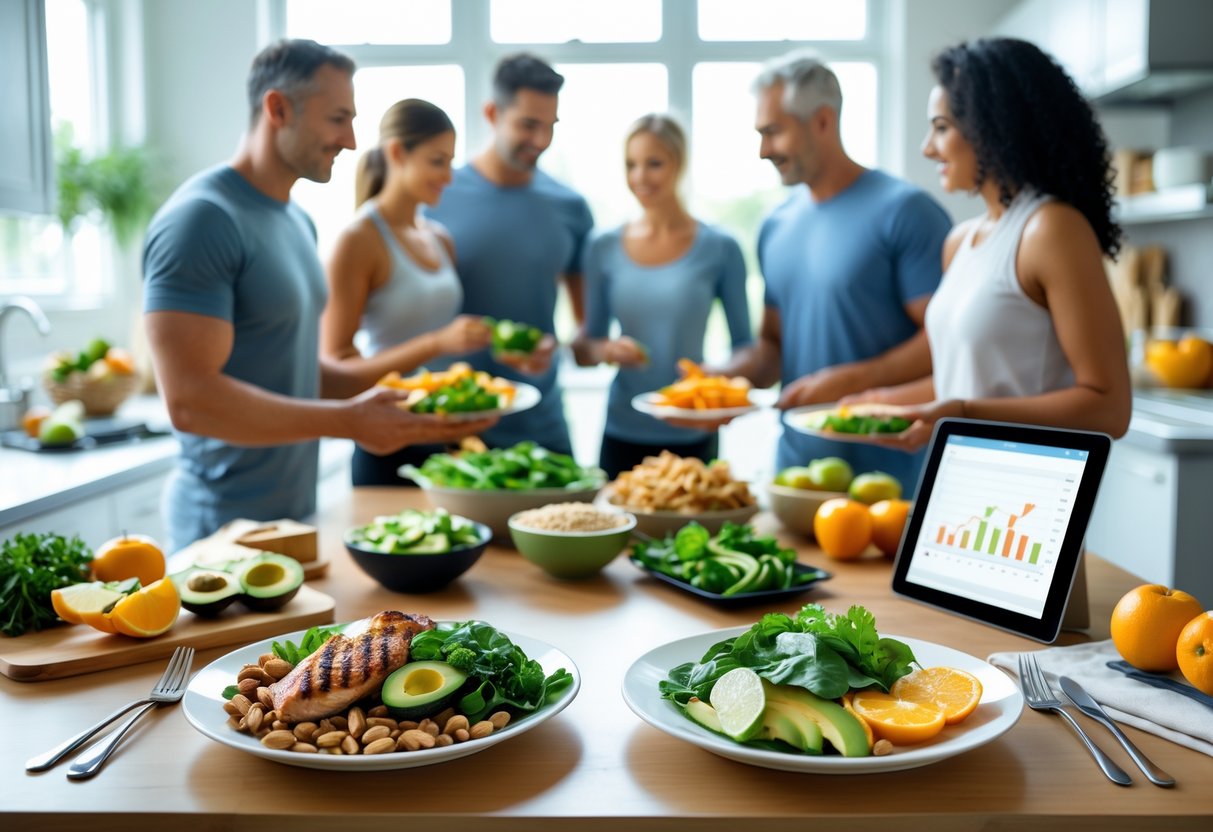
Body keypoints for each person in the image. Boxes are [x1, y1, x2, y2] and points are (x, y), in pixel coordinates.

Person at [143, 39, 494, 552]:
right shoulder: (203, 219)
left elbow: (305, 375)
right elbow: (192, 402)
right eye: (337, 119)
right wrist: (349, 422)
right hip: (218, 526)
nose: (352, 141)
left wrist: (412, 413)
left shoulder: (296, 222)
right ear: (277, 108)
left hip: (294, 514)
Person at [844, 38, 1131, 448]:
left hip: (1031, 489)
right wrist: (877, 405)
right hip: (957, 479)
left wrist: (963, 414)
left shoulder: (1050, 230)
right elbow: (963, 379)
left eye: (941, 128)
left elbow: (1110, 408)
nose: (928, 148)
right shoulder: (960, 241)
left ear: (993, 127)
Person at [715, 51, 952, 490]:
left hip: (893, 480)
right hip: (798, 475)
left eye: (773, 132)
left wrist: (855, 381)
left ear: (822, 122)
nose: (764, 150)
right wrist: (715, 388)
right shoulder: (774, 225)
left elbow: (949, 340)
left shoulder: (906, 212)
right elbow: (772, 347)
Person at [426, 53, 594, 457]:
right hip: (453, 425)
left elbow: (585, 330)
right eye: (528, 125)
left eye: (550, 127)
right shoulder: (436, 197)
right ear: (491, 113)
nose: (540, 141)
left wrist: (566, 347)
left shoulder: (571, 208)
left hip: (543, 427)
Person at [321, 98, 494, 486]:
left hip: (449, 436)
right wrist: (435, 343)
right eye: (437, 161)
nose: (448, 176)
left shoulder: (438, 238)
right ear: (398, 152)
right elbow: (337, 368)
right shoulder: (358, 240)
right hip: (388, 440)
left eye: (450, 161)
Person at [571, 114, 752, 477]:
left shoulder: (721, 247)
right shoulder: (601, 247)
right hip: (622, 428)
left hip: (693, 429)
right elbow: (585, 349)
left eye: (654, 163)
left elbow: (745, 347)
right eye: (630, 164)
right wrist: (605, 350)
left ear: (679, 164)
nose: (640, 177)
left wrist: (716, 376)